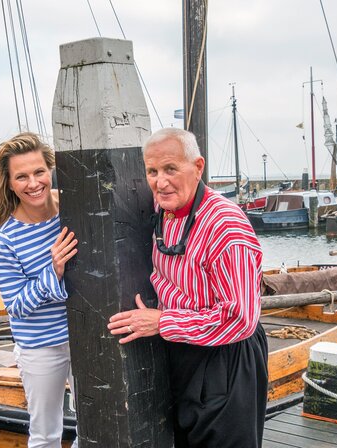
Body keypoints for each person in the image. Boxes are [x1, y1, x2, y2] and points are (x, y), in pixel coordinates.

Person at [107, 128, 268, 448]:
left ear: (198, 167)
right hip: (182, 349)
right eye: (152, 171)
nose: (160, 181)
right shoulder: (162, 209)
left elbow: (240, 318)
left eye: (170, 169)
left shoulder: (225, 225)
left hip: (226, 357)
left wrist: (161, 321)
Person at [0, 132, 79, 448]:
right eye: (22, 176)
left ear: (50, 171)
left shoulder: (72, 208)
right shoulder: (6, 241)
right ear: (9, 183)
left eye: (39, 172)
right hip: (41, 346)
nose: (33, 183)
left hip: (83, 337)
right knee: (46, 435)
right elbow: (16, 306)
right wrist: (54, 270)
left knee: (93, 426)